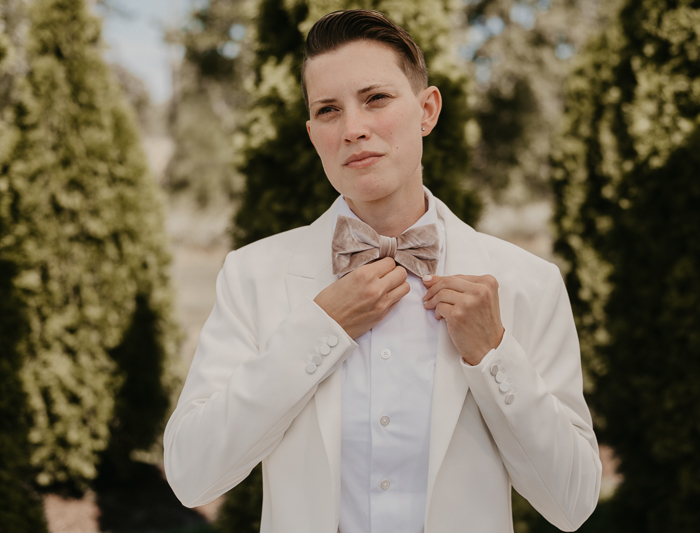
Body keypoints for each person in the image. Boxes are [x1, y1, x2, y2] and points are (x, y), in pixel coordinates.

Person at [164, 9, 601, 533]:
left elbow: (573, 502)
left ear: (427, 110)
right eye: (328, 110)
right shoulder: (251, 275)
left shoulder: (528, 283)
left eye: (375, 98)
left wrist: (493, 355)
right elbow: (191, 475)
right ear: (312, 133)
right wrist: (319, 330)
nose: (353, 129)